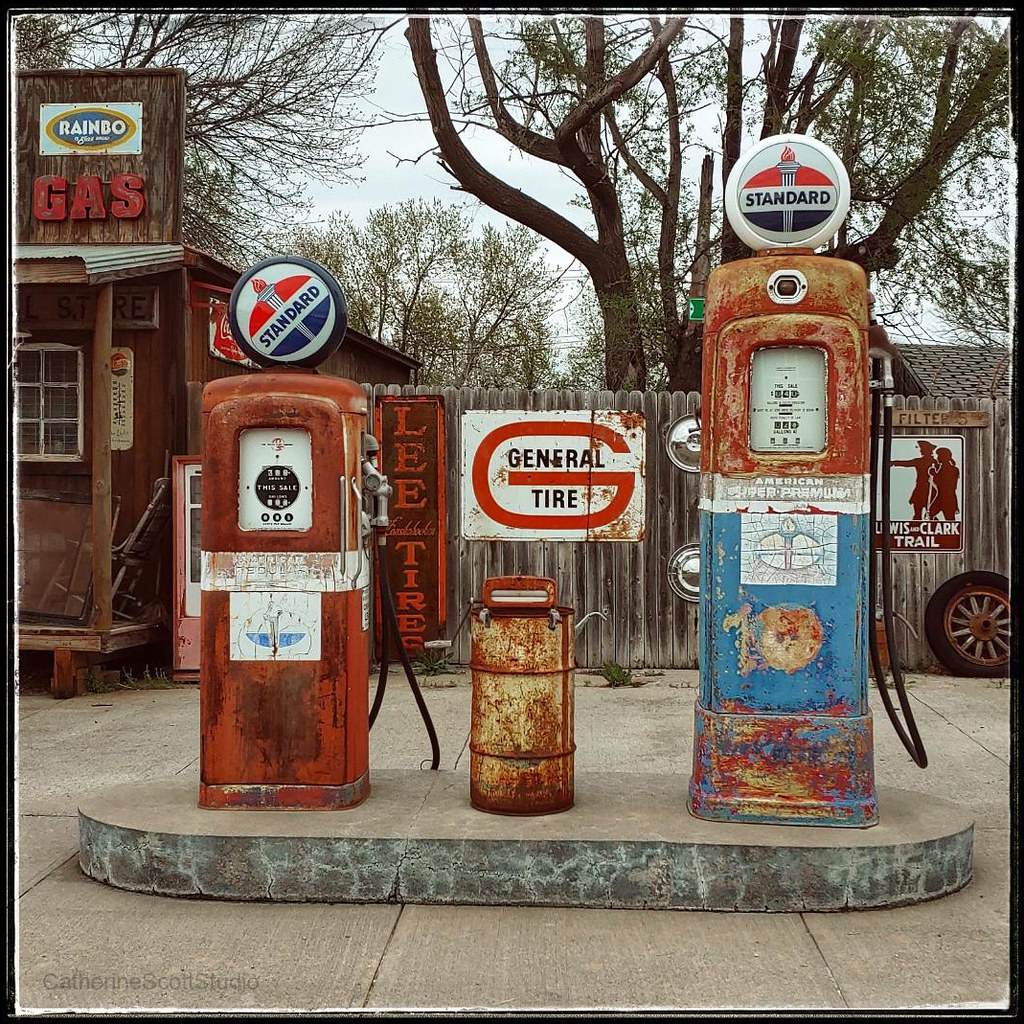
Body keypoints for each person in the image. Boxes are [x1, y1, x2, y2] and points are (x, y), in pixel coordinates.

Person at [891, 440, 937, 520]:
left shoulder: (935, 462)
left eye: (922, 449)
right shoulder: (919, 461)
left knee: (930, 512)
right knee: (917, 511)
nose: (920, 451)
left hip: (930, 488)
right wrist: (893, 463)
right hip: (920, 488)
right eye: (921, 449)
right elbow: (906, 463)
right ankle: (916, 525)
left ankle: (930, 525)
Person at [927, 447, 960, 521]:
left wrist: (934, 474)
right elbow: (938, 485)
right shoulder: (942, 468)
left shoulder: (953, 469)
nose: (937, 458)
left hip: (948, 499)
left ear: (944, 457)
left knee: (950, 520)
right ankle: (936, 525)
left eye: (938, 456)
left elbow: (946, 485)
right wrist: (933, 476)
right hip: (940, 497)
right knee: (930, 514)